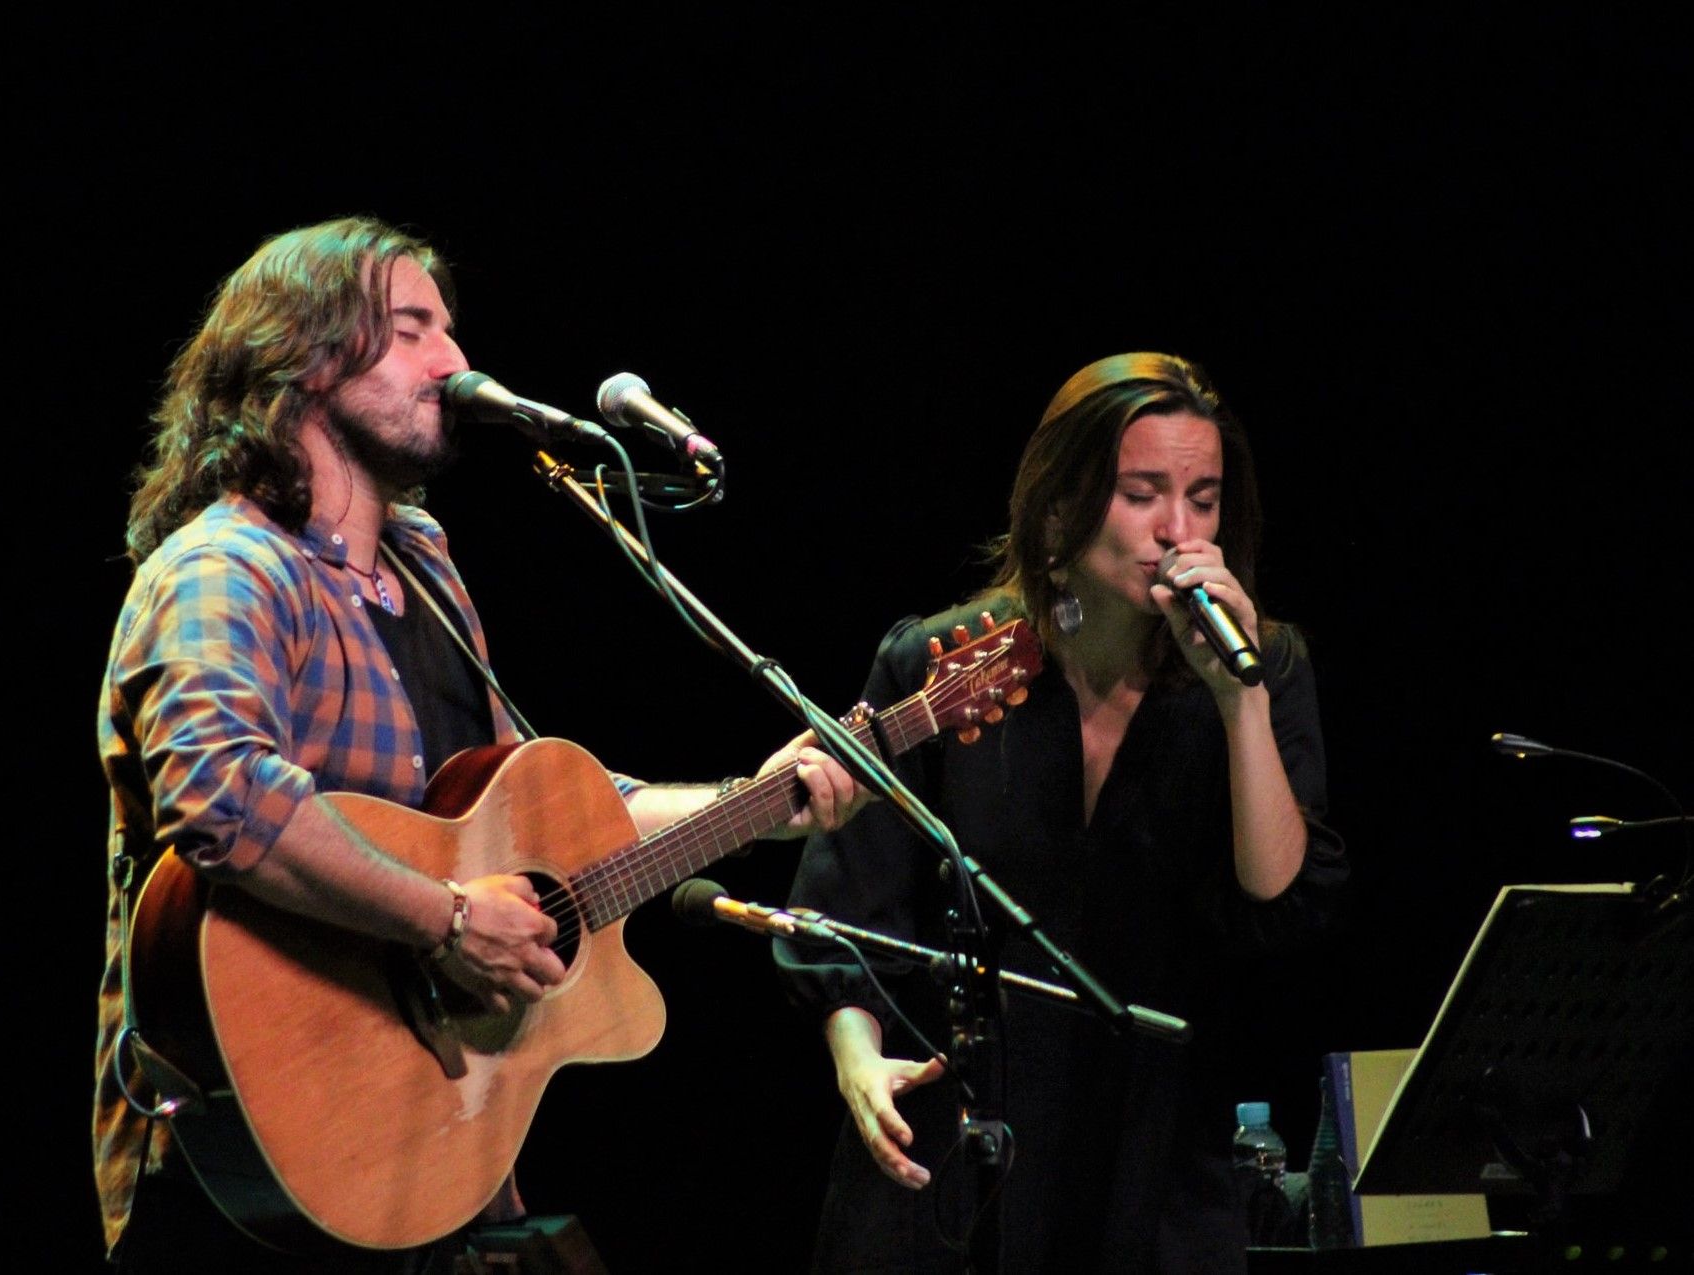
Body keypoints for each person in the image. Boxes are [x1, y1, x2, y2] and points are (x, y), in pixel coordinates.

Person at [94, 216, 862, 1272]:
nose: (455, 361)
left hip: (435, 1165)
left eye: (448, 331)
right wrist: (447, 920)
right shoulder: (226, 568)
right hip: (245, 1170)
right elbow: (227, 802)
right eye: (413, 329)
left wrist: (755, 799)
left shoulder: (424, 568)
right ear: (304, 357)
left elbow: (542, 815)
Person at [777, 352, 1348, 1274]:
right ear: (1056, 508)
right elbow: (846, 906)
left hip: (1154, 1161)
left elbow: (1280, 908)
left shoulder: (1260, 672)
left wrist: (1237, 700)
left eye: (1202, 498)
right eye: (1141, 493)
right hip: (948, 1149)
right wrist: (857, 1058)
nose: (1176, 528)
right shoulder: (943, 663)